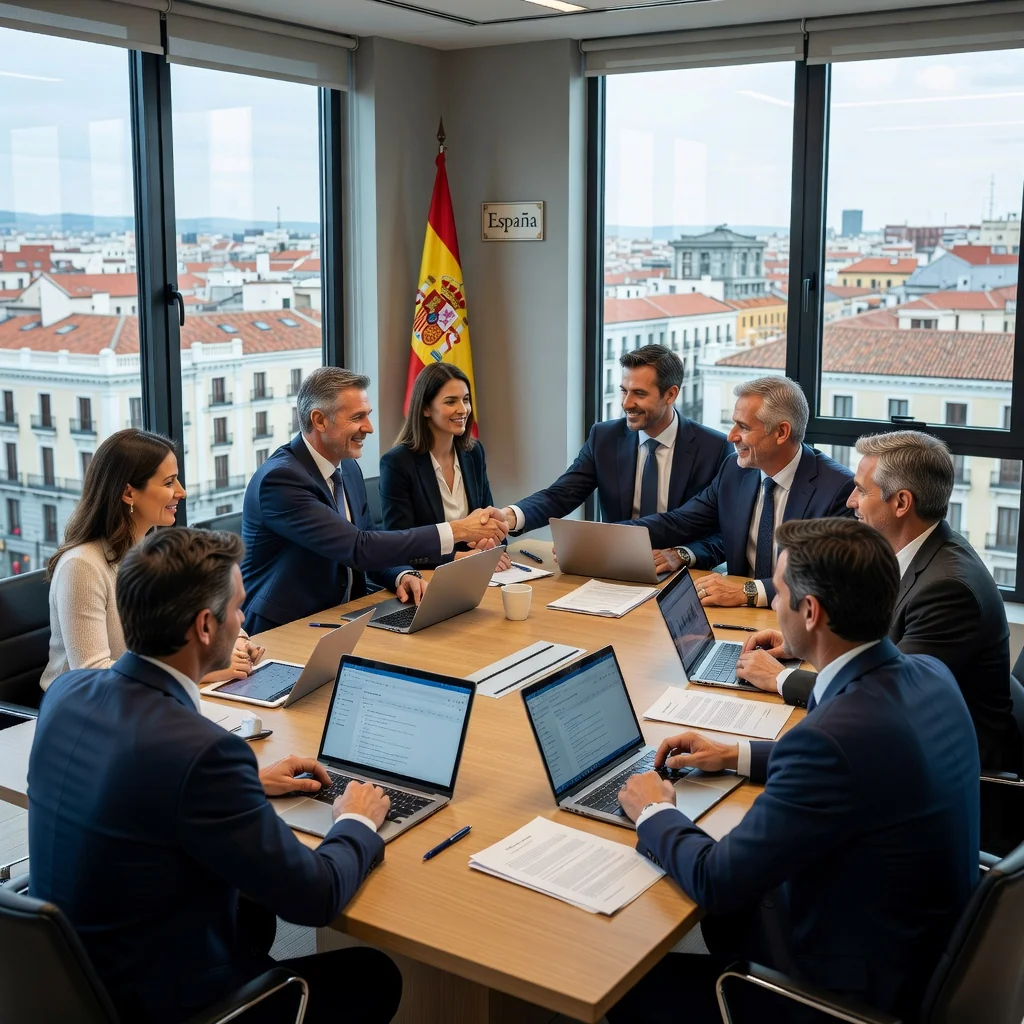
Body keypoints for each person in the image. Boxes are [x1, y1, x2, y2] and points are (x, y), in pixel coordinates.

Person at [611, 518, 979, 1023]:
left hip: (838, 995)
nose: (774, 605)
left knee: (622, 979)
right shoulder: (928, 674)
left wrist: (654, 811)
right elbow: (859, 762)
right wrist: (733, 754)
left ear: (811, 612)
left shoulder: (829, 742)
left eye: (780, 593)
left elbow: (717, 881)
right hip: (920, 944)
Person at [28, 528, 402, 1024]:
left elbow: (136, 782)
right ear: (205, 626)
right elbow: (316, 898)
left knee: (251, 914)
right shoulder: (205, 753)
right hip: (157, 1005)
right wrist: (356, 820)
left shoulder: (67, 692)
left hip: (68, 980)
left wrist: (249, 783)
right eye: (238, 608)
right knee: (375, 975)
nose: (243, 619)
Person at [736, 430, 1021, 775]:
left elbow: (884, 698)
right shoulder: (921, 551)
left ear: (901, 503)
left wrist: (781, 679)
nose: (850, 501)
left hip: (946, 768)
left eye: (861, 490)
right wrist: (807, 641)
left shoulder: (948, 589)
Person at [241, 367, 508, 632]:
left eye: (367, 415)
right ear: (320, 421)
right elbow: (359, 547)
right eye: (357, 417)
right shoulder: (281, 480)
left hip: (346, 617)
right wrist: (458, 530)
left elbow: (370, 538)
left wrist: (401, 574)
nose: (369, 428)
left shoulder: (347, 467)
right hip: (284, 629)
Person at [40, 427, 261, 692]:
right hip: (88, 708)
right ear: (128, 493)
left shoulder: (153, 549)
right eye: (169, 483)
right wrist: (200, 671)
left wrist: (236, 642)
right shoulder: (81, 566)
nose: (181, 492)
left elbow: (205, 610)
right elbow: (92, 674)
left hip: (145, 696)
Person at [624, 376, 854, 608]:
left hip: (799, 615)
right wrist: (610, 536)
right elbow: (680, 522)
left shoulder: (838, 488)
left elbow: (829, 575)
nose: (731, 436)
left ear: (781, 432)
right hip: (736, 613)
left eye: (743, 427)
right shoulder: (734, 470)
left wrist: (747, 592)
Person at [499, 345, 730, 569]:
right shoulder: (604, 437)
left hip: (682, 572)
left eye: (639, 393)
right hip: (612, 565)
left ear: (670, 394)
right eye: (624, 391)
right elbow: (561, 495)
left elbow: (726, 533)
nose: (626, 403)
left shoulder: (715, 448)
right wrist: (510, 516)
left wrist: (683, 554)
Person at [379, 362, 510, 571]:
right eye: (451, 402)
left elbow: (488, 518)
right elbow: (400, 544)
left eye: (465, 399)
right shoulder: (397, 463)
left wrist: (490, 545)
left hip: (479, 571)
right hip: (429, 576)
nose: (463, 409)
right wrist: (458, 558)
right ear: (425, 409)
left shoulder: (473, 452)